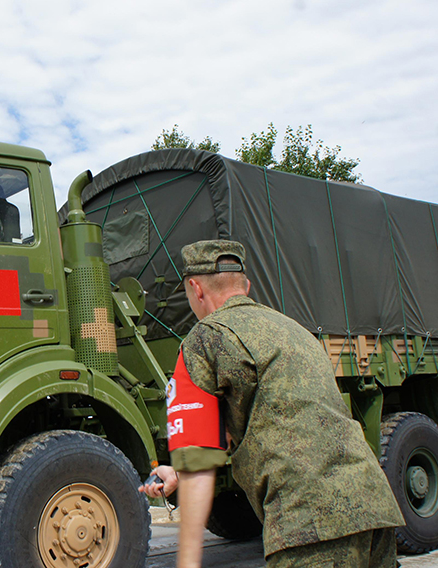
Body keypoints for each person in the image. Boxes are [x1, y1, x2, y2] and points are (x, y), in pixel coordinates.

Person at [139, 239, 404, 568]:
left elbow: (199, 464)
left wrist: (188, 562)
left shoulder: (205, 339)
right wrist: (177, 473)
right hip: (374, 508)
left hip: (309, 520)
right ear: (246, 286)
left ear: (196, 288)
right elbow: (264, 425)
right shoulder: (297, 332)